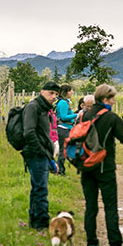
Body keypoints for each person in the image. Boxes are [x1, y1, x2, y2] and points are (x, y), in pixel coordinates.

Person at [81, 84, 123, 246]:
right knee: (110, 207)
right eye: (113, 98)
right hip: (105, 168)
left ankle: (92, 244)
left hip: (86, 167)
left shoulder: (85, 115)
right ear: (105, 99)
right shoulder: (111, 117)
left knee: (91, 207)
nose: (115, 101)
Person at [22, 81, 61, 230]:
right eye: (51, 93)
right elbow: (29, 132)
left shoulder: (45, 109)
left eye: (56, 94)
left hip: (44, 155)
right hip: (35, 154)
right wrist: (43, 152)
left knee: (37, 188)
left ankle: (34, 220)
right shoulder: (33, 107)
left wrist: (50, 158)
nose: (53, 97)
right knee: (41, 189)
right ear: (42, 91)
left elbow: (45, 135)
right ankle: (42, 224)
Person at [56, 84, 78, 176]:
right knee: (63, 150)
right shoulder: (64, 103)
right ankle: (60, 170)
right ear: (66, 92)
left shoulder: (63, 102)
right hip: (64, 129)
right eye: (70, 90)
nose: (71, 92)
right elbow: (64, 117)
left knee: (64, 150)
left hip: (66, 128)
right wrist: (77, 115)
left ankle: (60, 169)